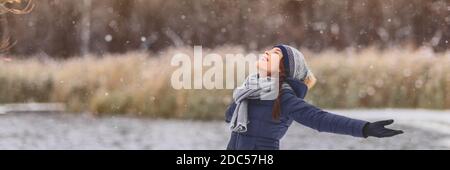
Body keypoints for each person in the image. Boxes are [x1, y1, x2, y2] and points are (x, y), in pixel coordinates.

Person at [225, 44, 403, 150]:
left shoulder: (283, 97)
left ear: (283, 69)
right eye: (270, 50)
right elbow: (229, 117)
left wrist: (365, 128)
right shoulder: (249, 89)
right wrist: (243, 96)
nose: (267, 53)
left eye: (275, 54)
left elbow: (319, 119)